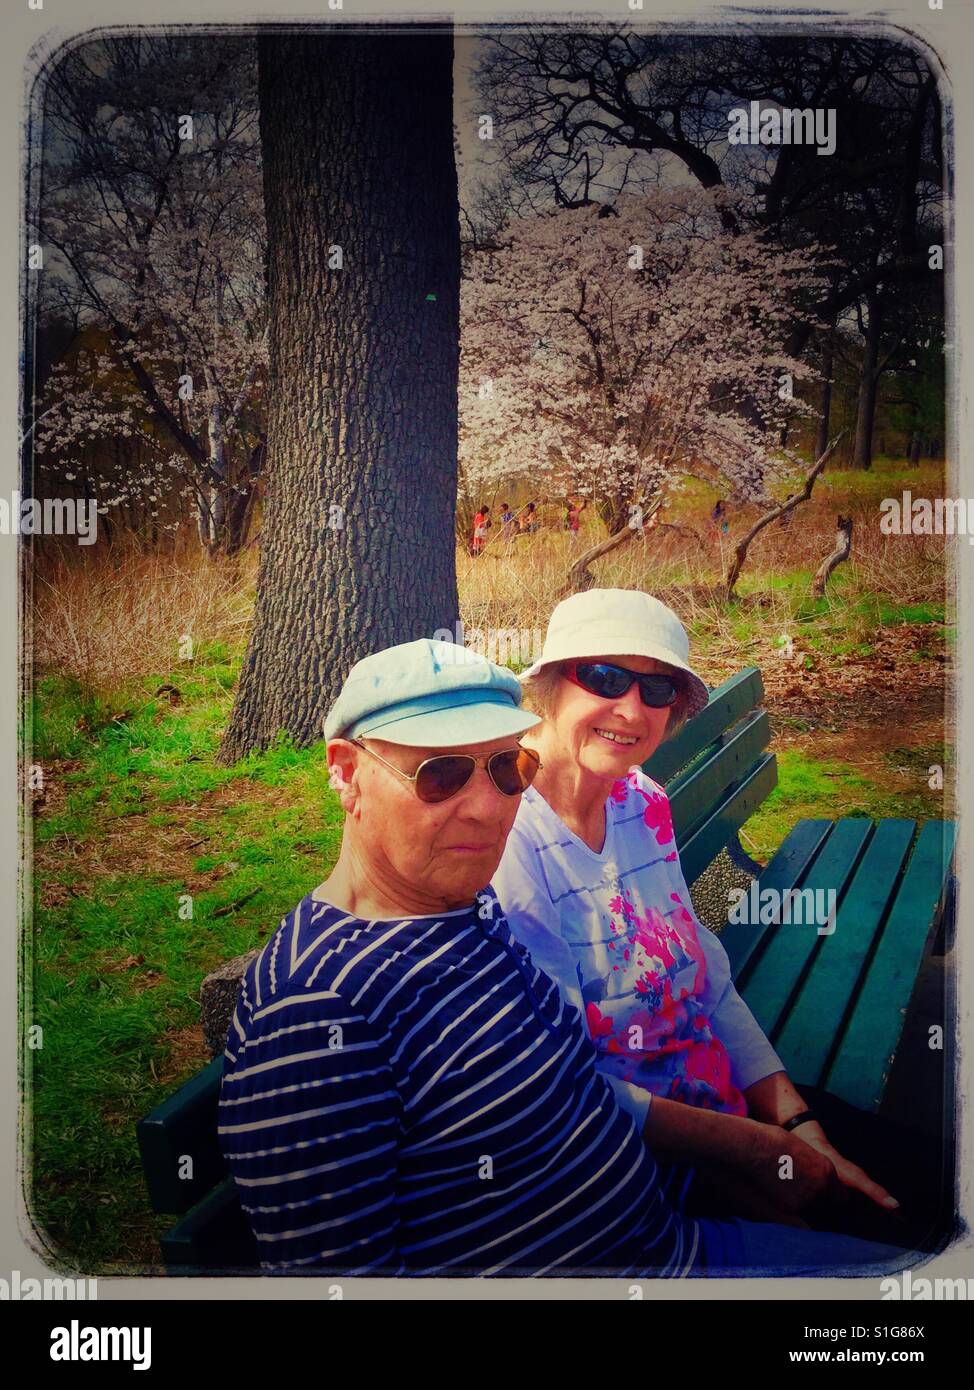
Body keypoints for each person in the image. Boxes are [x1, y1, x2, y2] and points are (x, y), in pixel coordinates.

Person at [218, 637, 906, 1277]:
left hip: (670, 1230)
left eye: (507, 768)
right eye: (442, 774)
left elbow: (574, 1087)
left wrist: (746, 1158)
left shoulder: (467, 910)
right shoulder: (313, 1011)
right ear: (345, 772)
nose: (487, 809)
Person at [489, 589, 950, 1253]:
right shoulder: (507, 842)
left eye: (658, 689)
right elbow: (563, 1084)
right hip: (643, 1164)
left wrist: (797, 1124)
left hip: (725, 1098)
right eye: (606, 677)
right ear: (553, 681)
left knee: (939, 1174)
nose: (631, 708)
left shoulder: (640, 802)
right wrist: (757, 1153)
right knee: (909, 1251)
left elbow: (704, 977)